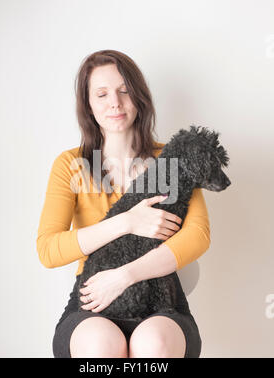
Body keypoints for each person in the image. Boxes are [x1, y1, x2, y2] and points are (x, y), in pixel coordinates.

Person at [36, 50, 210, 358]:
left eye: (124, 91)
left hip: (163, 303)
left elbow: (198, 236)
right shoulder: (70, 164)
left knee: (153, 344)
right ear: (88, 106)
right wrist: (126, 222)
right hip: (92, 303)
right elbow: (48, 250)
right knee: (101, 345)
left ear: (139, 98)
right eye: (101, 94)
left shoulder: (173, 160)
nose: (114, 102)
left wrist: (125, 276)